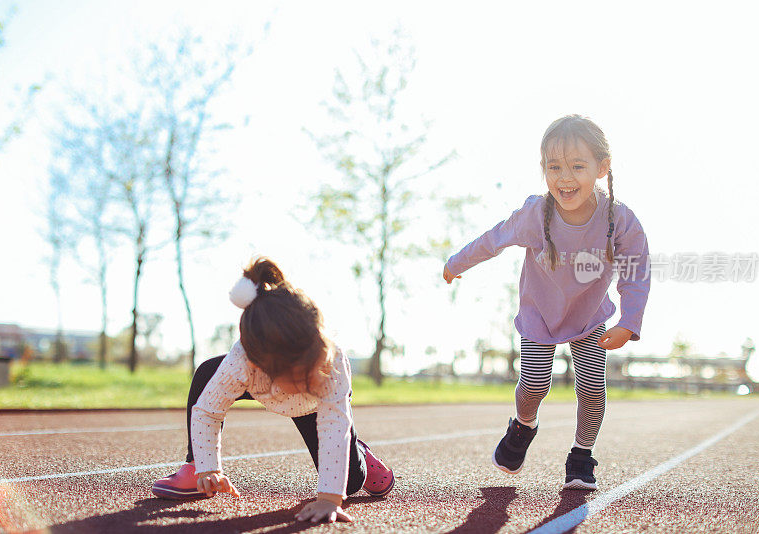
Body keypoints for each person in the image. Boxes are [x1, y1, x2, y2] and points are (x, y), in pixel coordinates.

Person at [443, 114, 650, 490]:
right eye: (554, 167)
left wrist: (629, 322)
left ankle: (581, 456)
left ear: (602, 168)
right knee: (535, 384)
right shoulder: (537, 214)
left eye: (577, 166)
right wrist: (457, 263)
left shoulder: (619, 220)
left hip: (588, 318)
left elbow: (636, 271)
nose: (565, 177)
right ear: (543, 170)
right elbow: (495, 239)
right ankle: (523, 425)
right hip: (539, 313)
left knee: (591, 387)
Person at [152, 257, 395, 523]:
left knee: (348, 484)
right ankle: (195, 465)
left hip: (312, 406)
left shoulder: (331, 365)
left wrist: (329, 499)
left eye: (312, 364)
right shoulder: (242, 363)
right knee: (208, 372)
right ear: (262, 367)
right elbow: (207, 412)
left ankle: (358, 451)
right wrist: (208, 466)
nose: (309, 376)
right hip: (263, 387)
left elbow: (334, 427)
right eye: (301, 374)